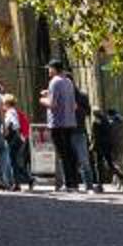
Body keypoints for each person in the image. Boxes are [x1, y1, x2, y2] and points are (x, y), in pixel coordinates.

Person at [44, 59, 83, 190]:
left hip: (58, 123)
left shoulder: (54, 82)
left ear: (54, 69)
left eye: (49, 68)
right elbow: (74, 105)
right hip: (69, 122)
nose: (48, 71)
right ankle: (74, 182)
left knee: (63, 154)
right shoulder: (68, 82)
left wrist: (43, 100)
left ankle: (68, 183)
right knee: (70, 153)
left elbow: (52, 104)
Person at [92, 98, 123, 192]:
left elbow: (95, 136)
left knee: (99, 166)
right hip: (107, 146)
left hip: (99, 147)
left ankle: (100, 185)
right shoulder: (106, 120)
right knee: (110, 165)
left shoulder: (96, 122)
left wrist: (93, 146)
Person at [3, 93, 33, 189]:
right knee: (15, 161)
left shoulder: (10, 112)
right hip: (19, 137)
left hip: (14, 138)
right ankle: (26, 180)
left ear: (7, 103)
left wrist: (6, 130)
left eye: (3, 103)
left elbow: (13, 124)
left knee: (13, 161)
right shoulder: (14, 111)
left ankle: (18, 183)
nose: (3, 105)